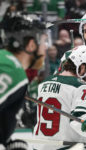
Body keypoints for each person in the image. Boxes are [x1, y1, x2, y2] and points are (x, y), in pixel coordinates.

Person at [33, 45, 86, 150]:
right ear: (82, 66)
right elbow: (80, 122)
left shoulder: (45, 82)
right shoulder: (82, 86)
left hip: (39, 146)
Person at [0, 14, 47, 150]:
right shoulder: (11, 68)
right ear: (31, 45)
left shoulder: (7, 62)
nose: (45, 48)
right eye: (44, 42)